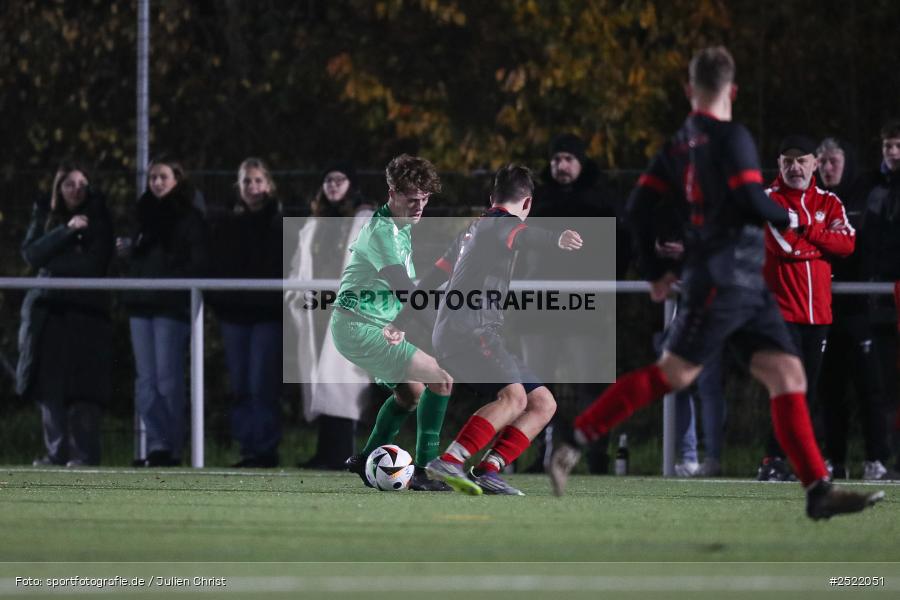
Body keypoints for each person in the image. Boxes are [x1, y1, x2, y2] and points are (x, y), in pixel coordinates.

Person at [547, 46, 884, 520]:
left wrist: (654, 272)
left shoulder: (677, 145)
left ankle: (817, 490)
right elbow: (750, 198)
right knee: (675, 374)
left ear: (689, 89)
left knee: (788, 376)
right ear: (734, 90)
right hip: (723, 282)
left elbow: (638, 209)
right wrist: (787, 216)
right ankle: (576, 436)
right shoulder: (731, 136)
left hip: (746, 285)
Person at [422, 164, 583, 496]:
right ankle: (451, 460)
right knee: (514, 397)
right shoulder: (500, 223)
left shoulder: (474, 228)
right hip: (470, 329)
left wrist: (400, 314)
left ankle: (489, 469)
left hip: (466, 330)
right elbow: (521, 235)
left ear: (492, 196)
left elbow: (435, 275)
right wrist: (557, 238)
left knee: (543, 403)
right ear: (527, 205)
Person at [333, 154, 454, 491]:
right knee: (442, 380)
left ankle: (365, 457)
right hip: (358, 326)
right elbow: (406, 291)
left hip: (369, 325)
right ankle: (427, 471)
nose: (419, 207)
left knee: (411, 393)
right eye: (412, 199)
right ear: (392, 192)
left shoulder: (401, 227)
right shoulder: (383, 232)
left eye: (425, 199)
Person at [517, 133, 627, 474]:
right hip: (539, 303)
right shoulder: (536, 199)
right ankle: (544, 451)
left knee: (590, 382)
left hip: (585, 304)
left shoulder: (602, 199)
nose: (561, 166)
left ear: (581, 162)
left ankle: (596, 454)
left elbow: (623, 243)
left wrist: (607, 283)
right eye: (556, 159)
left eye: (568, 159)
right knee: (537, 384)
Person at [754, 135, 856, 481]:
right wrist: (821, 243)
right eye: (787, 162)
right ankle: (772, 459)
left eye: (802, 161)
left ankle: (795, 460)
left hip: (819, 315)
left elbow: (847, 244)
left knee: (809, 391)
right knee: (787, 388)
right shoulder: (768, 200)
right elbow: (784, 246)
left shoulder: (830, 201)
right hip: (781, 313)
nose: (795, 168)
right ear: (779, 165)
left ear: (815, 163)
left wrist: (809, 230)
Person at [17, 162, 114, 467]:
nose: (76, 190)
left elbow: (93, 266)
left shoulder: (99, 217)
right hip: (48, 314)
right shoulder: (45, 213)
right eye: (70, 184)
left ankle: (84, 456)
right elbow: (32, 254)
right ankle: (55, 454)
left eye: (82, 184)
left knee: (83, 388)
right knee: (49, 389)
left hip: (86, 314)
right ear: (59, 187)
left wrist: (51, 264)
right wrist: (66, 231)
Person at [816, 137, 898, 480]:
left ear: (845, 161)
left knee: (870, 388)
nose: (828, 167)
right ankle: (835, 459)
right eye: (822, 161)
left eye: (833, 160)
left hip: (859, 308)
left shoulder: (864, 192)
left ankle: (876, 459)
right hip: (823, 309)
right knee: (830, 390)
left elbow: (872, 241)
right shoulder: (812, 199)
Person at [120, 156, 209, 467]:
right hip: (140, 303)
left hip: (171, 306)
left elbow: (195, 261)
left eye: (163, 177)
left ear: (177, 180)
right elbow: (129, 256)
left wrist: (167, 272)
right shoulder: (140, 214)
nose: (157, 182)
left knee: (167, 380)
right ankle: (158, 444)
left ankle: (173, 446)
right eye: (153, 177)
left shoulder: (187, 216)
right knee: (145, 381)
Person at [288, 162, 374, 469]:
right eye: (328, 179)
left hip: (349, 307)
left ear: (352, 184)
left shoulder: (365, 219)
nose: (334, 185)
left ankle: (341, 452)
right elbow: (301, 263)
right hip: (318, 309)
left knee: (343, 381)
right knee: (321, 379)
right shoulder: (315, 222)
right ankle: (326, 452)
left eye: (340, 179)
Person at [208, 158, 283, 468]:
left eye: (257, 181)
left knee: (261, 385)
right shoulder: (226, 223)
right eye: (247, 182)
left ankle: (265, 450)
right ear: (238, 187)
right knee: (240, 386)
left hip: (267, 314)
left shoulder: (279, 221)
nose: (252, 187)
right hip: (235, 316)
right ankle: (248, 449)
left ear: (268, 185)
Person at [854, 119, 900, 478]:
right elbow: (865, 239)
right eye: (888, 146)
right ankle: (882, 458)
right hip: (880, 298)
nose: (894, 152)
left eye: (898, 145)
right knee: (881, 384)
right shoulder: (869, 185)